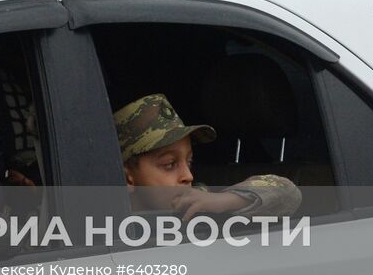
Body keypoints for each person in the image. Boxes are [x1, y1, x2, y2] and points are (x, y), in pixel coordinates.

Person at [113, 92, 302, 218]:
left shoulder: (197, 203)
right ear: (127, 178)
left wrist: (225, 201)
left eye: (189, 162)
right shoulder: (103, 224)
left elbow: (287, 192)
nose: (188, 176)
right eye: (169, 164)